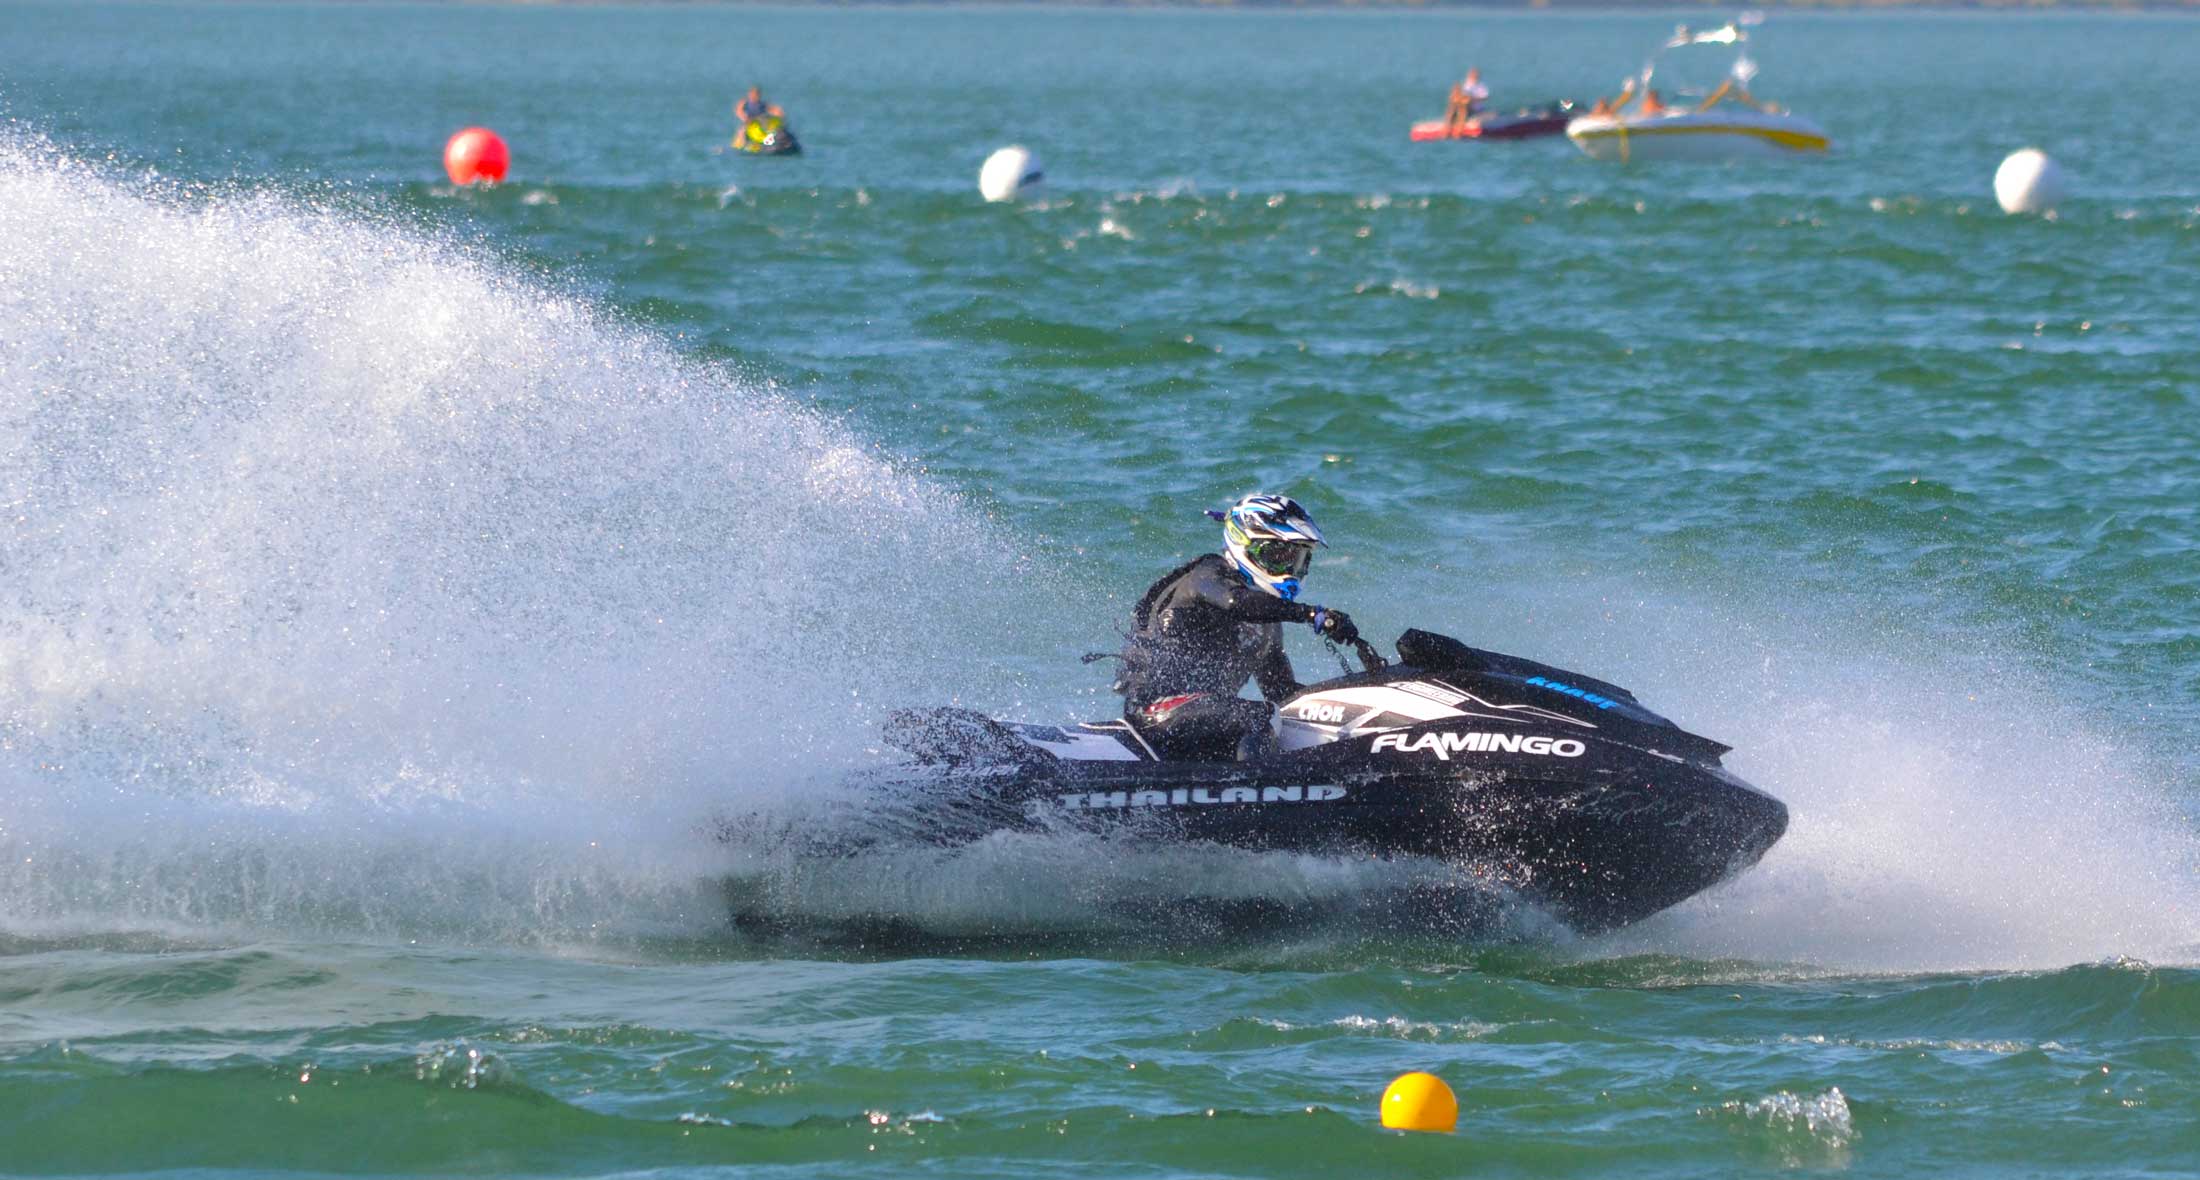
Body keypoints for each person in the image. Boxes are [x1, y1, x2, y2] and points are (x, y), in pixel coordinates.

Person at [1112, 494, 1361, 762]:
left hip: (1204, 722)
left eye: (1298, 560)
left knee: (1280, 716)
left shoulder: (1267, 621)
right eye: (1278, 556)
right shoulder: (1208, 574)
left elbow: (1282, 694)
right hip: (1154, 711)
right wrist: (1311, 614)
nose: (1289, 570)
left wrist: (1349, 701)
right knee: (1262, 715)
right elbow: (1235, 602)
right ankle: (1257, 784)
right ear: (1244, 545)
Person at [1443, 67, 1490, 136]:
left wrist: (1472, 99)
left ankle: (1458, 131)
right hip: (1462, 106)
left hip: (1475, 108)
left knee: (1463, 109)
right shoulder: (1464, 85)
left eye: (1475, 75)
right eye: (1472, 74)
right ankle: (1446, 128)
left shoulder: (1480, 86)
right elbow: (1456, 96)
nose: (1474, 76)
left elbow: (1485, 97)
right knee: (1452, 108)